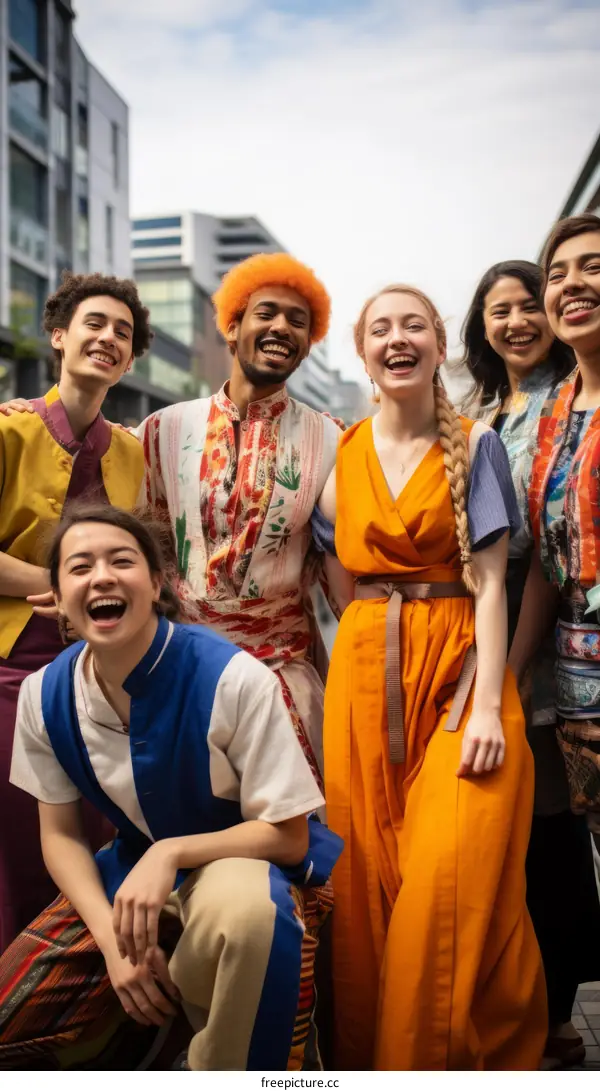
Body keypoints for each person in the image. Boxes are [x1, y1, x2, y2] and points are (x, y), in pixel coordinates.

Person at [0, 505, 341, 1071]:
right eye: (79, 567)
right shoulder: (44, 694)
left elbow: (289, 838)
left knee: (253, 918)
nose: (102, 576)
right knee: (13, 1022)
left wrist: (172, 851)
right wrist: (113, 946)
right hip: (131, 872)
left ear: (157, 583)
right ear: (56, 597)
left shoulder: (234, 677)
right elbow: (59, 837)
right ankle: (146, 1045)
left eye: (122, 561)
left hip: (248, 864)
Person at [314, 283, 546, 1070]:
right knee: (365, 887)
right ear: (363, 350)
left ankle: (438, 1060)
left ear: (440, 343)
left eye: (414, 324)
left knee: (446, 879)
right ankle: (372, 1058)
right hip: (363, 676)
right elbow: (336, 572)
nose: (398, 338)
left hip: (460, 678)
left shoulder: (475, 443)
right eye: (381, 328)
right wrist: (375, 627)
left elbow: (490, 586)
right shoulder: (341, 451)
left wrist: (486, 706)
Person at [461, 262, 598, 1067]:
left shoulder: (569, 404)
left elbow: (543, 554)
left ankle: (553, 1009)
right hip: (484, 633)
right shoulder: (480, 413)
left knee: (551, 834)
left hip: (545, 649)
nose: (516, 322)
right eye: (498, 310)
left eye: (526, 307)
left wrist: (507, 669)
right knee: (503, 834)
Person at [137, 253, 341, 786]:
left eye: (298, 321)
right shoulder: (161, 431)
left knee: (294, 845)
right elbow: (140, 545)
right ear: (233, 327)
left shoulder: (336, 441)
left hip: (284, 682)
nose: (281, 328)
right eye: (266, 313)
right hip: (179, 673)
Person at [0, 273, 148, 950]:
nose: (108, 338)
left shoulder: (130, 451)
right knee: (22, 835)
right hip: (11, 664)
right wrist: (56, 584)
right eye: (95, 323)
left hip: (98, 670)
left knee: (98, 828)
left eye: (122, 331)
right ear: (60, 336)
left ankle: (86, 1010)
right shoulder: (9, 430)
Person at [512, 213, 600, 899]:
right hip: (580, 689)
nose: (572, 283)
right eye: (559, 272)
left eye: (591, 266)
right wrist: (510, 672)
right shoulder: (553, 415)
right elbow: (547, 558)